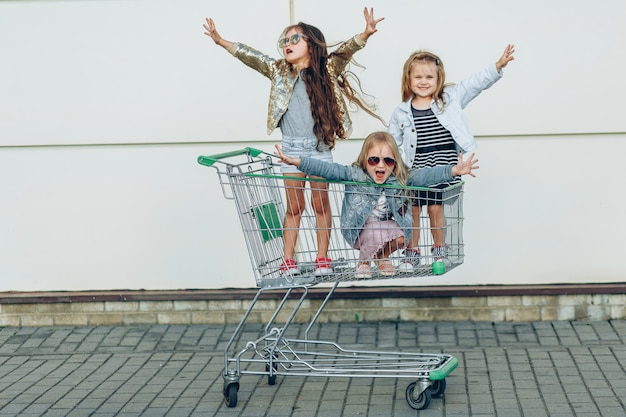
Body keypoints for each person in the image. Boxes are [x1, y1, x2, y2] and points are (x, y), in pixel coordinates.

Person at [203, 8, 385, 277]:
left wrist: (365, 34)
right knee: (294, 207)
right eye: (285, 41)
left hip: (318, 148)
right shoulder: (279, 71)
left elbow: (346, 51)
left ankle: (322, 258)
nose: (288, 44)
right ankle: (288, 260)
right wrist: (222, 41)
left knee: (321, 204)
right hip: (290, 148)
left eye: (295, 38)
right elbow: (253, 57)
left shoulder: (327, 69)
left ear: (311, 44)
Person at [274, 131, 479, 278]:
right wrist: (297, 162)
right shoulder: (355, 174)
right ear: (365, 161)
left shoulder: (401, 178)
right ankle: (364, 261)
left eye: (387, 161)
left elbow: (425, 176)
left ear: (395, 164)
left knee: (402, 237)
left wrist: (453, 170)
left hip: (385, 229)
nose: (381, 165)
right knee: (374, 231)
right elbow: (327, 169)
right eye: (374, 160)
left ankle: (379, 257)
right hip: (360, 229)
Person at [388, 45, 515, 272]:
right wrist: (395, 167)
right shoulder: (401, 111)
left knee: (435, 209)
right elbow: (393, 142)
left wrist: (497, 66)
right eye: (418, 76)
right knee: (413, 209)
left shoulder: (449, 99)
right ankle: (412, 252)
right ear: (408, 79)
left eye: (429, 76)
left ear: (439, 78)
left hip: (444, 165)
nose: (424, 81)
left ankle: (439, 251)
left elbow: (474, 84)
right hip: (417, 169)